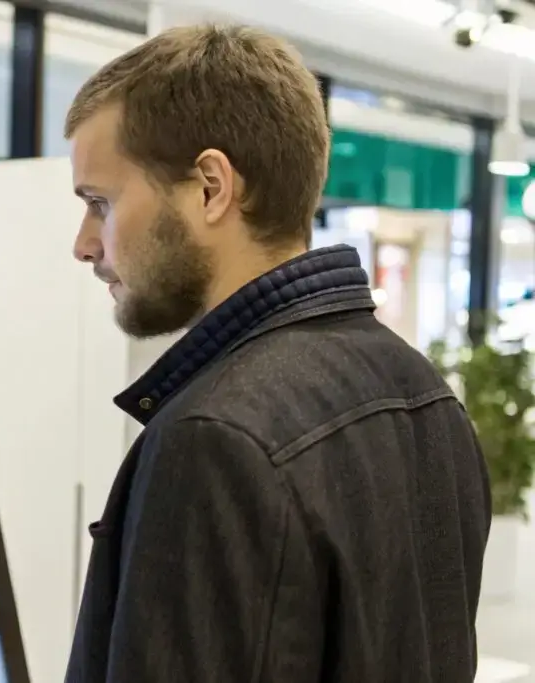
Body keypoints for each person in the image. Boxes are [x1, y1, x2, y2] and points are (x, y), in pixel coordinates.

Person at [64, 24, 490, 683]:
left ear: (210, 187)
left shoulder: (215, 438)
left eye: (100, 202)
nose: (85, 244)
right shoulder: (426, 395)